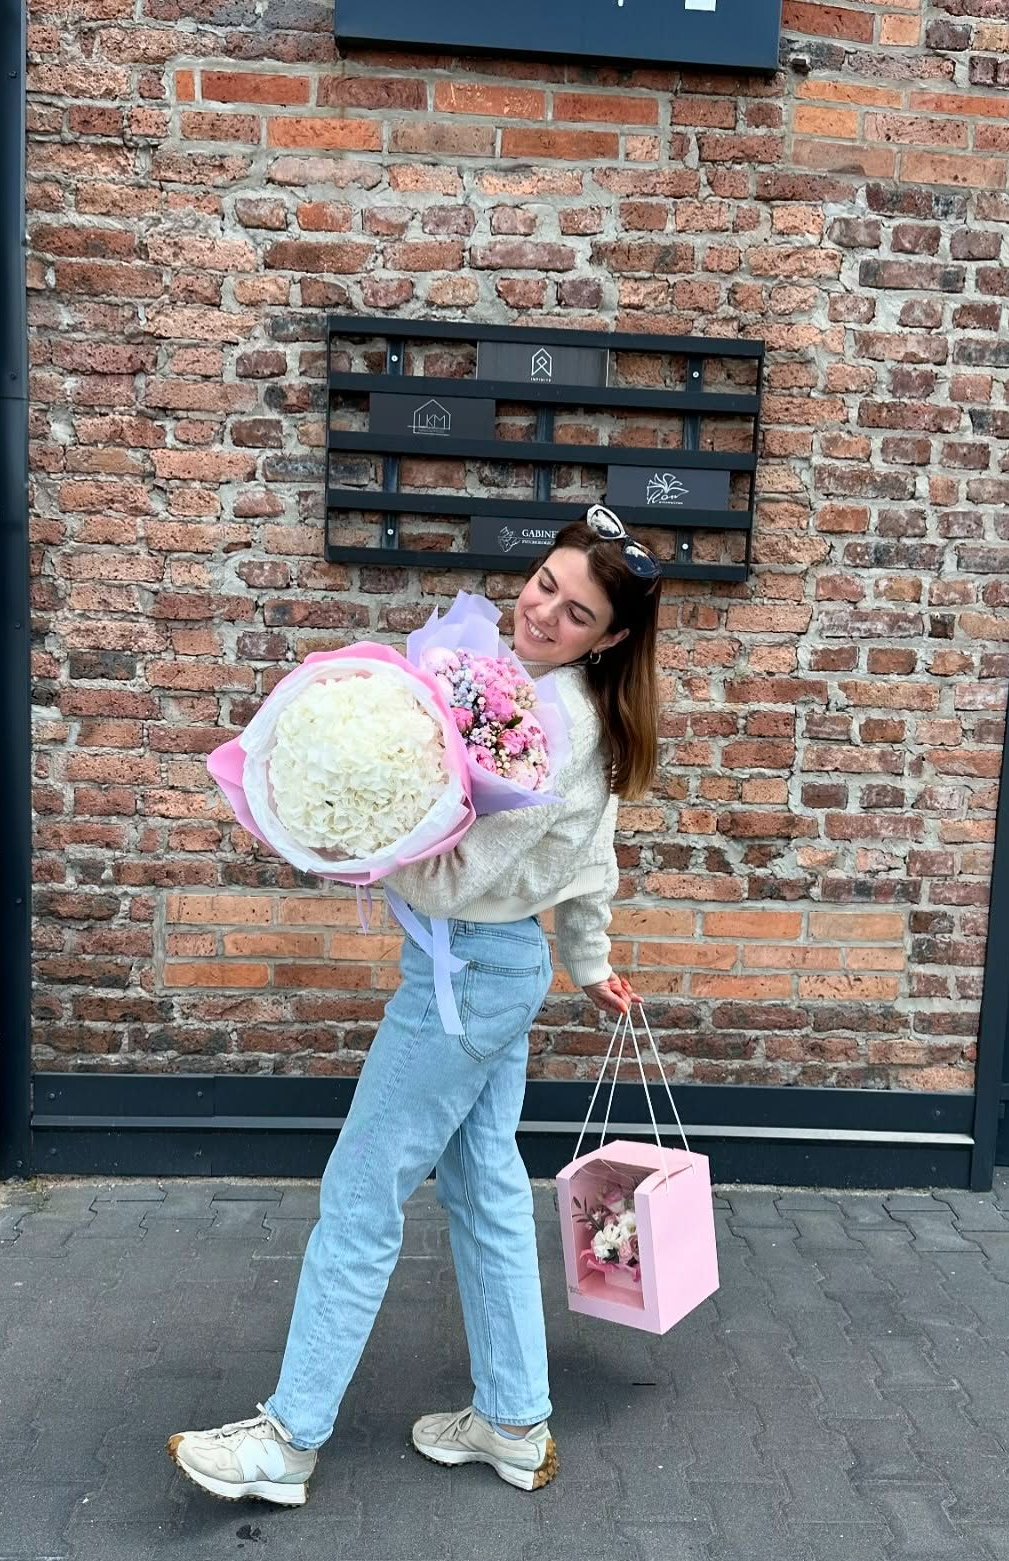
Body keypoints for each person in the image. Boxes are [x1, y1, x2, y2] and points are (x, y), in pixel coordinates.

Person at [167, 507, 663, 1504]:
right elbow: (594, 860)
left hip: (464, 978)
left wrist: (356, 836)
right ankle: (514, 1422)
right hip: (498, 969)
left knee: (361, 1191)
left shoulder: (550, 724)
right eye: (546, 583)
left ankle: (288, 1440)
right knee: (484, 1190)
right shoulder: (554, 698)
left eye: (577, 612)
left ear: (610, 637)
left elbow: (454, 878)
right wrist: (589, 961)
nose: (545, 611)